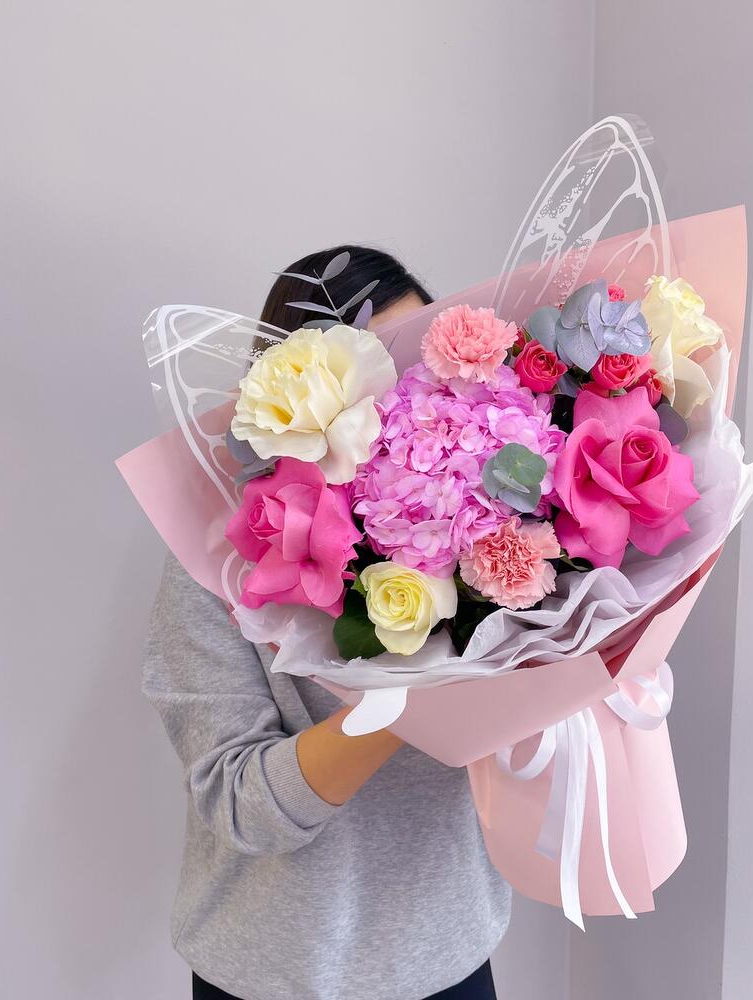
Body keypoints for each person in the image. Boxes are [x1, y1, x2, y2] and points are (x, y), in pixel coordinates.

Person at [143, 246, 511, 1000]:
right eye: (378, 373)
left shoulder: (494, 523)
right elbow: (239, 802)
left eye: (423, 362)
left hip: (448, 957)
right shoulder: (216, 559)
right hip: (272, 976)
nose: (408, 397)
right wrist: (416, 697)